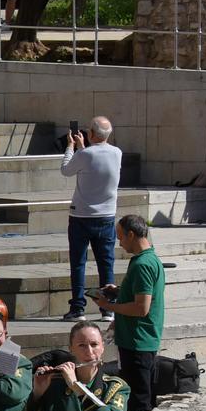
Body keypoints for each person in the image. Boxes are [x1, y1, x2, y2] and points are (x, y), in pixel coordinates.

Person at [94, 213, 165, 411]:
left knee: (138, 403)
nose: (119, 242)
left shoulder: (142, 265)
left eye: (121, 236)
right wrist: (119, 291)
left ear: (131, 234)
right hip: (142, 340)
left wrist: (109, 306)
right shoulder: (150, 259)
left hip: (137, 342)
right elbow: (141, 293)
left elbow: (141, 308)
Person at [61, 117, 122, 321]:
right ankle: (108, 308)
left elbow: (66, 169)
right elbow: (95, 160)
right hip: (106, 216)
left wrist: (71, 146)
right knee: (106, 264)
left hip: (81, 215)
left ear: (92, 134)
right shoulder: (117, 153)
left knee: (78, 263)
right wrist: (83, 148)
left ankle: (78, 307)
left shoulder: (84, 154)